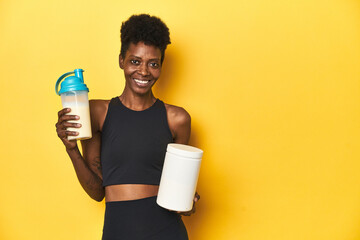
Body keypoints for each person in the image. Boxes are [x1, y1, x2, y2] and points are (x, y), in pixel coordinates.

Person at [56, 14, 199, 240]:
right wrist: (71, 149)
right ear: (121, 60)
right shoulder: (96, 113)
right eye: (135, 61)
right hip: (117, 232)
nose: (143, 72)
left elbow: (182, 195)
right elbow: (97, 192)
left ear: (161, 65)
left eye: (153, 64)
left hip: (167, 232)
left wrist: (187, 202)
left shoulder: (177, 119)